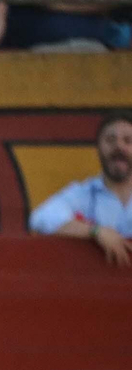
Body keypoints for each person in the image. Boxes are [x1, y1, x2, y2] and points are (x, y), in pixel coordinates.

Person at [29, 112, 132, 267]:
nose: (119, 147)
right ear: (98, 148)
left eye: (128, 140)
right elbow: (41, 218)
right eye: (110, 140)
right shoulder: (84, 193)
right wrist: (96, 232)